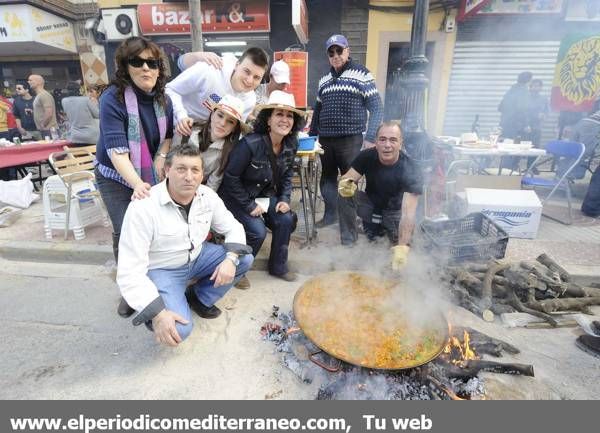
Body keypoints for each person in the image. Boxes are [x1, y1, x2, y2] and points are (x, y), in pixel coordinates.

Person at [117, 144, 253, 346]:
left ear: (201, 174)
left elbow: (234, 227)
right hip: (162, 269)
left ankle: (199, 298)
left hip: (198, 257)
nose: (189, 177)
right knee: (179, 331)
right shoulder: (143, 207)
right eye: (181, 169)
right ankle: (154, 309)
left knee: (243, 258)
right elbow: (129, 270)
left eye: (195, 170)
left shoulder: (207, 196)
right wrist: (158, 314)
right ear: (167, 171)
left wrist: (231, 260)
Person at [94, 36, 174, 319]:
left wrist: (161, 159)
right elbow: (117, 153)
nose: (145, 68)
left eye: (151, 62)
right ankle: (128, 290)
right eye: (136, 62)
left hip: (148, 170)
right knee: (125, 229)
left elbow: (167, 138)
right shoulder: (112, 99)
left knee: (150, 229)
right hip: (114, 175)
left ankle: (149, 283)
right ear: (124, 67)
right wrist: (138, 184)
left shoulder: (164, 99)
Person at [219, 91, 306, 284]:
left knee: (285, 219)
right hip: (236, 198)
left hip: (263, 197)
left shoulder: (292, 143)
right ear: (268, 119)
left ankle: (278, 267)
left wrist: (284, 199)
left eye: (289, 115)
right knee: (257, 231)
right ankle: (238, 268)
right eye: (279, 114)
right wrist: (249, 206)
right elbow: (231, 178)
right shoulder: (250, 144)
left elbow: (287, 175)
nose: (285, 120)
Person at [309, 34, 384, 228]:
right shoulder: (324, 80)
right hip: (326, 139)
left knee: (348, 183)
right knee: (326, 180)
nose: (335, 55)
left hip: (350, 140)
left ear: (347, 51)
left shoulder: (362, 74)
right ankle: (330, 215)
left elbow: (376, 107)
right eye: (331, 52)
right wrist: (312, 137)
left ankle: (348, 227)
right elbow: (318, 110)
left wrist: (371, 137)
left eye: (339, 50)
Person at [337, 121, 422, 270]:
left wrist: (402, 247)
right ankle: (348, 244)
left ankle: (397, 243)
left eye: (393, 140)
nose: (387, 145)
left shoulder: (411, 168)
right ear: (376, 142)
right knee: (344, 194)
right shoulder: (367, 156)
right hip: (369, 208)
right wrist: (345, 183)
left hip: (395, 215)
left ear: (401, 143)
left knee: (392, 259)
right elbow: (348, 178)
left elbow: (408, 214)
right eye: (382, 139)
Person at [165, 47, 269, 140]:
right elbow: (170, 89)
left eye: (257, 77)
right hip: (179, 128)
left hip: (211, 138)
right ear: (237, 65)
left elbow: (236, 128)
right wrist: (181, 115)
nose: (249, 80)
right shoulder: (210, 70)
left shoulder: (249, 100)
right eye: (246, 71)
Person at [184, 94, 247, 191]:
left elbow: (212, 186)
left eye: (230, 122)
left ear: (234, 128)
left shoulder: (228, 152)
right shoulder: (189, 129)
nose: (222, 123)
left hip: (195, 191)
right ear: (212, 114)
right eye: (220, 115)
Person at [61, 81, 100, 146]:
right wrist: (96, 104)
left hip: (75, 137)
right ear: (79, 90)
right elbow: (98, 115)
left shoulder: (64, 101)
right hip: (91, 136)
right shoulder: (85, 100)